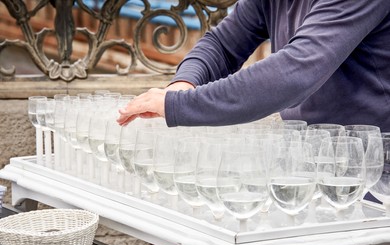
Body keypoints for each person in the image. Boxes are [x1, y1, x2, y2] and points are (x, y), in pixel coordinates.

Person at [117, 0, 390, 132]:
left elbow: (294, 73)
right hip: (309, 157)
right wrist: (183, 84)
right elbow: (224, 44)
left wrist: (178, 106)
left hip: (376, 168)